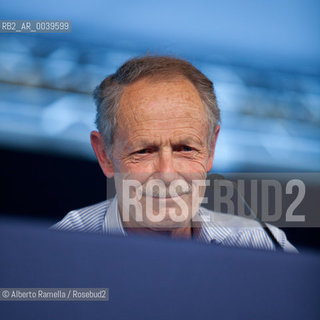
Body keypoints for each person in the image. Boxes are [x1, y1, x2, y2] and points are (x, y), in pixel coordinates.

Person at [52, 56, 296, 252]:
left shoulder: (263, 247)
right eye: (144, 151)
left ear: (211, 148)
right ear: (104, 155)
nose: (167, 174)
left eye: (185, 149)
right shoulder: (58, 250)